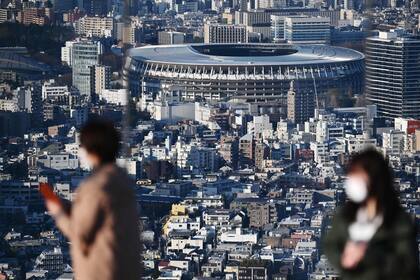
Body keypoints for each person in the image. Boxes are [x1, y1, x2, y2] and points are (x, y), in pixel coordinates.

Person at [46, 119, 141, 280]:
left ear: (92, 150)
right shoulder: (121, 180)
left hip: (101, 272)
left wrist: (58, 212)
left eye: (82, 146)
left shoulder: (96, 187)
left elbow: (80, 234)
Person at [324, 149, 419, 280]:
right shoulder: (344, 215)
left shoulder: (398, 222)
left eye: (358, 177)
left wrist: (367, 255)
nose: (352, 182)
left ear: (375, 179)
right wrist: (344, 258)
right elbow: (331, 245)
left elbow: (408, 266)